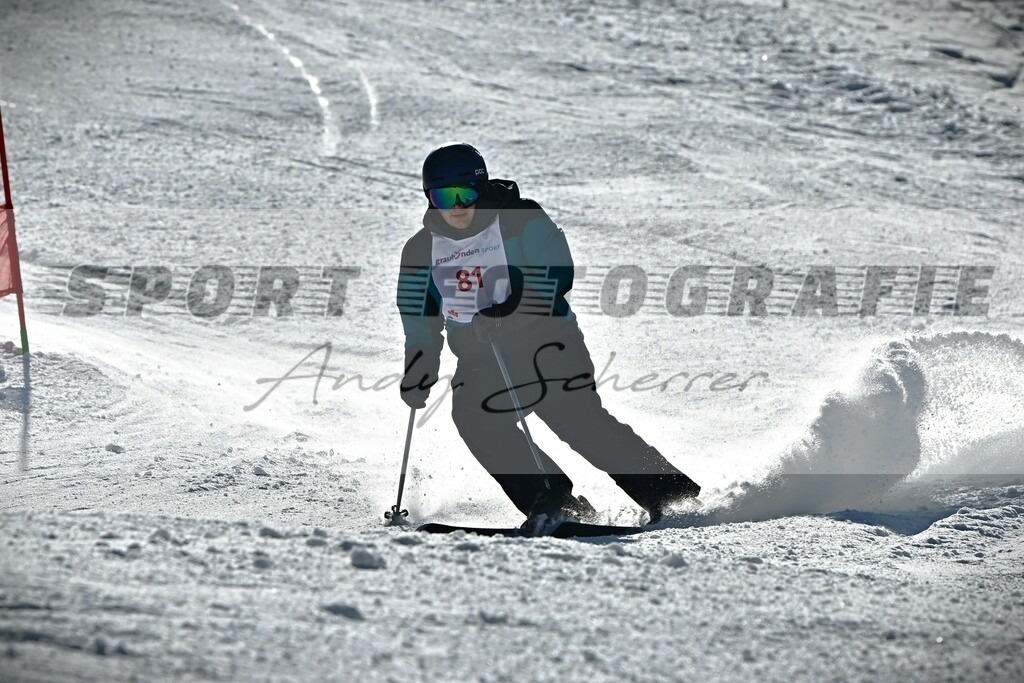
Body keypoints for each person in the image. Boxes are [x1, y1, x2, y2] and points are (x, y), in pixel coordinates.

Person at [397, 142, 699, 530]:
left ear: (482, 187)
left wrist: (508, 310)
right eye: (443, 197)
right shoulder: (421, 250)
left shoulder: (520, 218)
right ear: (429, 198)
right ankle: (552, 500)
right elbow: (419, 318)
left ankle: (669, 495)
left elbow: (558, 272)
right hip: (481, 357)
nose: (457, 206)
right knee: (475, 416)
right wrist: (419, 367)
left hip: (547, 341)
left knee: (576, 419)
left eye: (466, 194)